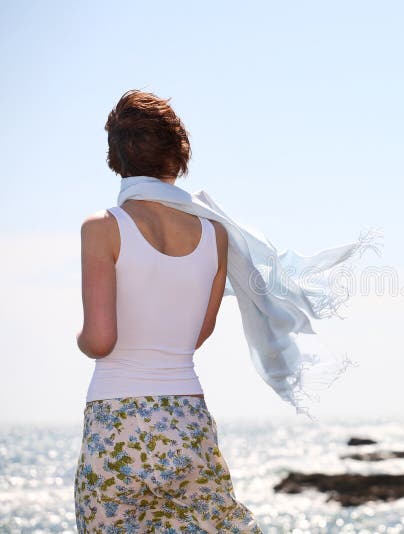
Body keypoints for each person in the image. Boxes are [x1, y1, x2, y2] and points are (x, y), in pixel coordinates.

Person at [74, 90, 263, 533]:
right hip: (187, 416)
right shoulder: (215, 234)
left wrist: (80, 338)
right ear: (178, 156)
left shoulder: (102, 228)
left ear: (116, 158)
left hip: (117, 417)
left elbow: (100, 339)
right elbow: (198, 333)